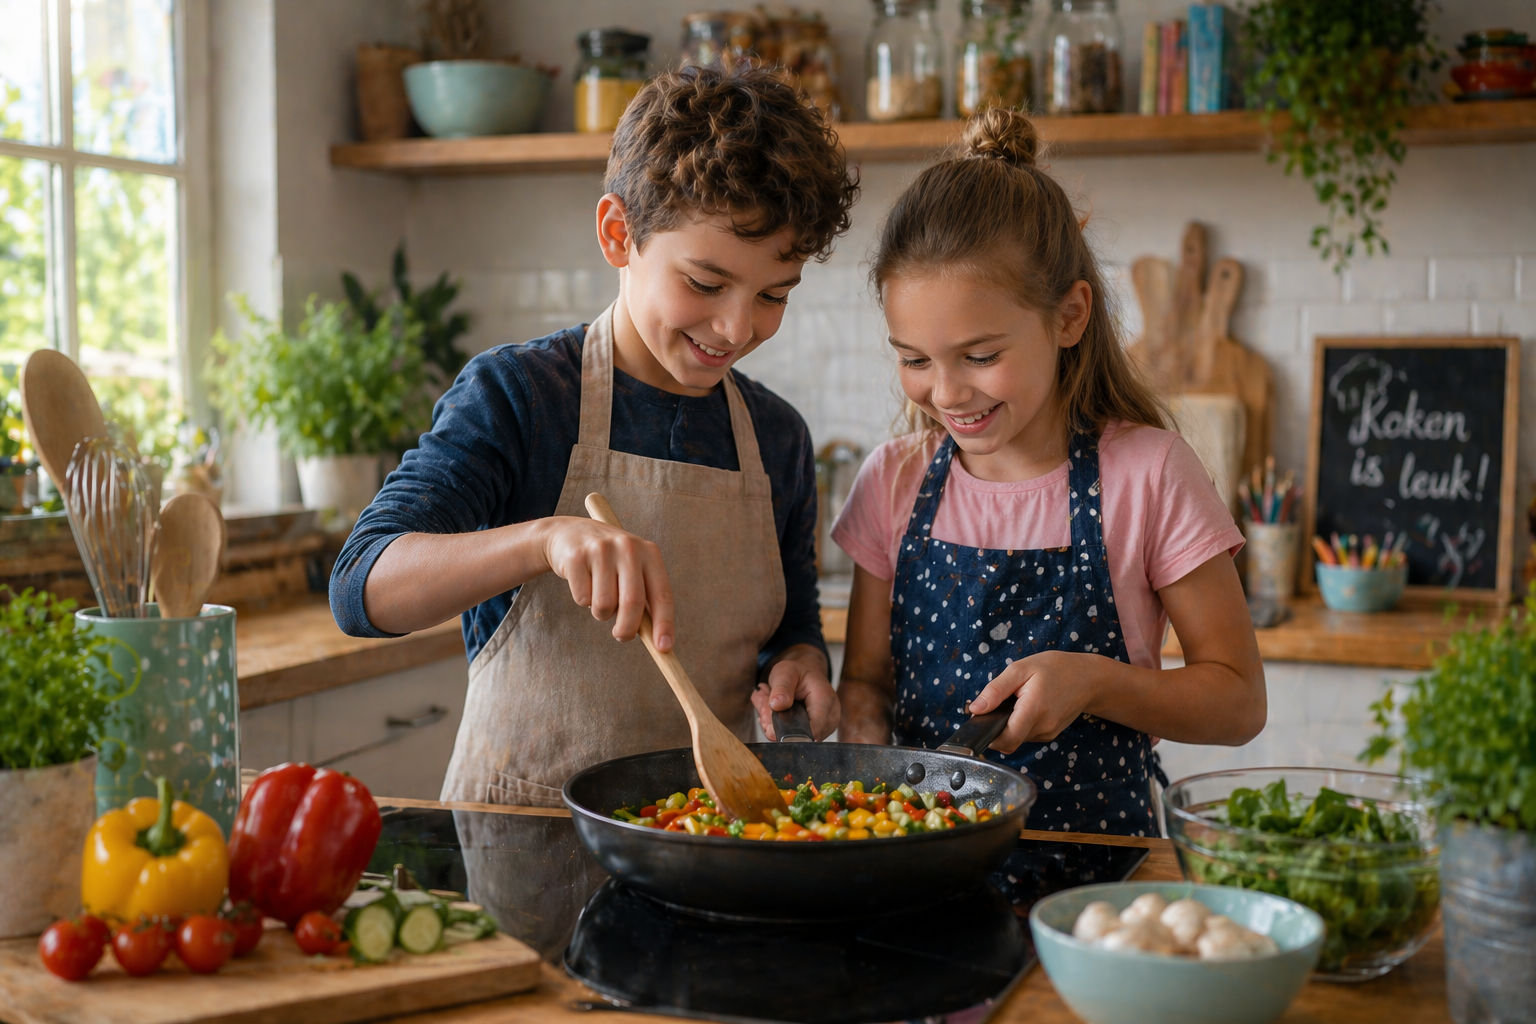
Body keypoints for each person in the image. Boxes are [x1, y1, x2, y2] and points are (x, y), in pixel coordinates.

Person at [331, 64, 859, 812]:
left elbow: (792, 627)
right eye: (705, 284)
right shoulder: (519, 396)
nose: (738, 328)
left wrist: (802, 663)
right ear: (619, 234)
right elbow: (359, 588)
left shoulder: (776, 437)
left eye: (773, 294)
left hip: (709, 852)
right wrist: (544, 541)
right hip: (524, 853)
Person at [831, 108, 1265, 837]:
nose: (946, 394)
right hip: (916, 872)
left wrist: (1094, 681)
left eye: (979, 356)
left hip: (1093, 877)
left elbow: (1238, 702)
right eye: (914, 360)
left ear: (1069, 317)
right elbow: (869, 684)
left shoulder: (1148, 474)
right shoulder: (893, 480)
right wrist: (857, 783)